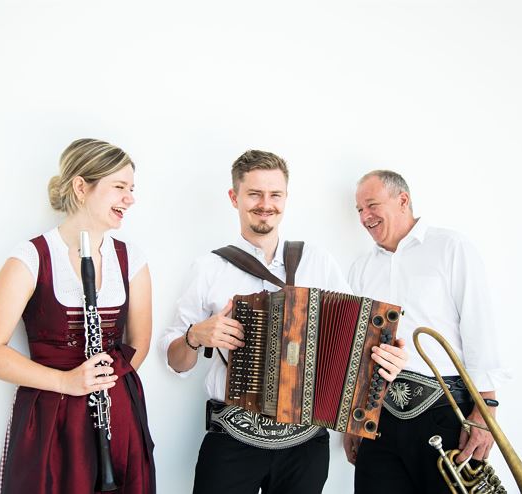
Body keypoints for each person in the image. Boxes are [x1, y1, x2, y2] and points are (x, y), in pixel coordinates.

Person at [159, 150, 408, 494]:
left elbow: (360, 340)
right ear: (235, 198)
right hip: (232, 439)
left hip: (306, 446)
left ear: (286, 198)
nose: (266, 204)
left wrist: (387, 360)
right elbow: (175, 362)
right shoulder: (209, 268)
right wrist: (194, 336)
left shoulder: (317, 261)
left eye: (275, 194)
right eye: (254, 194)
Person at [0, 138, 155, 494]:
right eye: (119, 187)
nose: (130, 198)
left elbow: (139, 344)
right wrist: (68, 383)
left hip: (119, 414)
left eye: (131, 189)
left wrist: (104, 384)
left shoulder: (133, 259)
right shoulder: (30, 258)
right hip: (51, 417)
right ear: (81, 187)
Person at [343, 170, 510, 494]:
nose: (365, 217)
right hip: (378, 420)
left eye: (372, 205)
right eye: (359, 210)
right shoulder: (360, 268)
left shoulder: (451, 247)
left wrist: (485, 412)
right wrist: (353, 421)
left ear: (403, 200)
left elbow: (480, 330)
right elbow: (356, 348)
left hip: (445, 412)